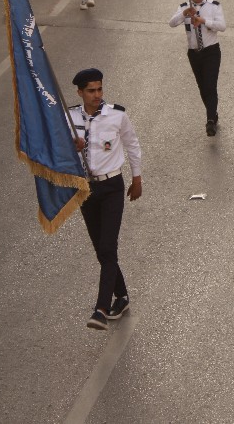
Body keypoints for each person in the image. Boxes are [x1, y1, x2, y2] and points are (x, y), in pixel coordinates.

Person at [68, 68, 142, 330]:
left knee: (108, 246)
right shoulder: (70, 117)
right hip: (86, 190)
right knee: (102, 249)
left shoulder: (117, 115)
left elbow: (132, 144)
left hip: (111, 186)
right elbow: (58, 151)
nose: (97, 95)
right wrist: (71, 144)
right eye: (91, 90)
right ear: (80, 92)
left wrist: (137, 178)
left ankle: (100, 308)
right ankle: (121, 297)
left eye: (99, 89)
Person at [169, 0, 226, 137]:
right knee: (202, 88)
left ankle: (209, 121)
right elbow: (171, 23)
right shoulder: (185, 6)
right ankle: (212, 113)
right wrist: (184, 14)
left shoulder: (214, 6)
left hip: (211, 51)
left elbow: (222, 26)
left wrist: (203, 21)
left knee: (210, 85)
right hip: (194, 53)